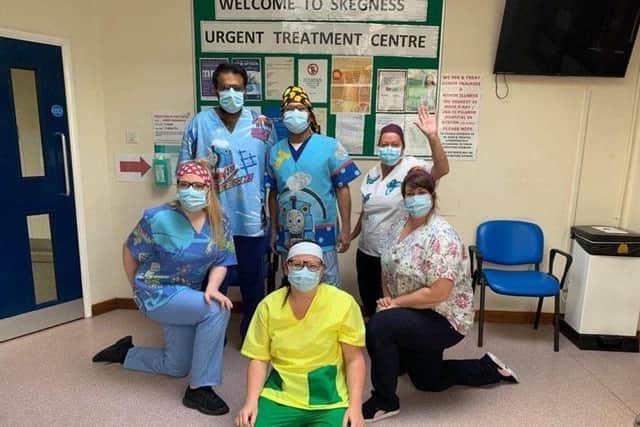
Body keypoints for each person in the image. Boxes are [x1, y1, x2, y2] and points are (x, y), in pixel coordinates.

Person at [362, 167, 518, 423]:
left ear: (433, 196)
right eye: (409, 193)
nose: (414, 197)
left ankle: (385, 401)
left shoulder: (442, 236)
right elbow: (387, 264)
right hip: (413, 310)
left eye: (421, 192)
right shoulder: (398, 226)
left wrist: (394, 306)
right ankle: (488, 367)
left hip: (442, 317)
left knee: (380, 326)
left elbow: (438, 293)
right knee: (428, 382)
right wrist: (388, 298)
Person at [92, 161, 237, 416]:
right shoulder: (157, 217)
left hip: (187, 293)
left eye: (197, 185)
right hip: (156, 291)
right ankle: (200, 389)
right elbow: (129, 250)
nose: (190, 190)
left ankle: (126, 352)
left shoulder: (219, 219)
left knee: (176, 366)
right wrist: (135, 290)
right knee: (216, 310)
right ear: (178, 186)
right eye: (184, 184)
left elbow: (223, 259)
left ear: (208, 188)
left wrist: (213, 287)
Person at [178, 62, 278, 339]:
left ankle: (253, 335)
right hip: (211, 220)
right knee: (211, 280)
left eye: (237, 88)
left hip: (251, 220)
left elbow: (274, 173)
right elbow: (184, 172)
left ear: (247, 91)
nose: (231, 93)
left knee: (253, 281)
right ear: (215, 90)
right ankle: (213, 335)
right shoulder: (200, 123)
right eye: (225, 88)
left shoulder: (262, 125)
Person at [235, 240, 366, 427]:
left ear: (322, 270)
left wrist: (355, 407)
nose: (304, 270)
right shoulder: (269, 305)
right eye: (297, 264)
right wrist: (251, 402)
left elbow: (354, 359)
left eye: (312, 266)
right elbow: (259, 358)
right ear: (286, 267)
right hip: (281, 395)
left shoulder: (343, 303)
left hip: (328, 399)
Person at [351, 104, 450, 317]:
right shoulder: (372, 174)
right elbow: (367, 208)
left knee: (391, 306)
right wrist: (352, 234)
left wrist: (432, 137)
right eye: (384, 144)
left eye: (394, 144)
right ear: (378, 146)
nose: (389, 148)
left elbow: (442, 169)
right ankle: (373, 337)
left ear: (403, 148)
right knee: (369, 301)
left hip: (394, 254)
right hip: (366, 250)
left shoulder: (412, 168)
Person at [267, 86, 360, 286]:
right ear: (282, 115)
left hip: (323, 234)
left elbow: (342, 188)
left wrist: (346, 229)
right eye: (289, 109)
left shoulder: (330, 146)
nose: (295, 113)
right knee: (295, 282)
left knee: (327, 283)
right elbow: (273, 193)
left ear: (310, 114)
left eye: (300, 108)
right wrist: (273, 230)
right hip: (288, 234)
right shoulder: (275, 152)